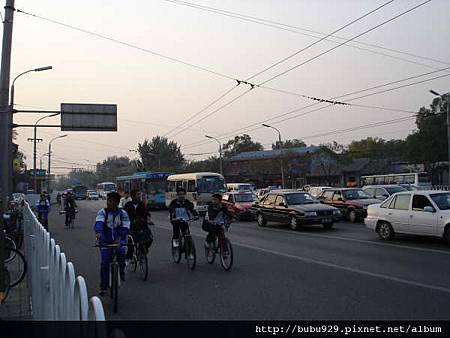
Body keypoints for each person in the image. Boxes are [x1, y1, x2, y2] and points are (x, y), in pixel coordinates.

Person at [94, 192, 130, 296]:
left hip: (120, 240)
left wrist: (119, 238)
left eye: (111, 201)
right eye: (107, 201)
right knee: (105, 262)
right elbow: (99, 223)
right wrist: (99, 233)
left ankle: (122, 272)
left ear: (117, 203)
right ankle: (103, 287)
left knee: (121, 254)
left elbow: (126, 227)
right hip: (105, 241)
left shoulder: (123, 214)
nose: (108, 203)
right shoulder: (103, 212)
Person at [123, 189, 153, 258]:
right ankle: (129, 256)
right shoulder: (128, 205)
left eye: (140, 194)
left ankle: (142, 250)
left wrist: (148, 219)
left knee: (150, 238)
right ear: (133, 196)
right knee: (130, 240)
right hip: (131, 226)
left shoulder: (142, 204)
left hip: (142, 225)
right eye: (138, 194)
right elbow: (124, 215)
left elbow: (146, 213)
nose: (139, 196)